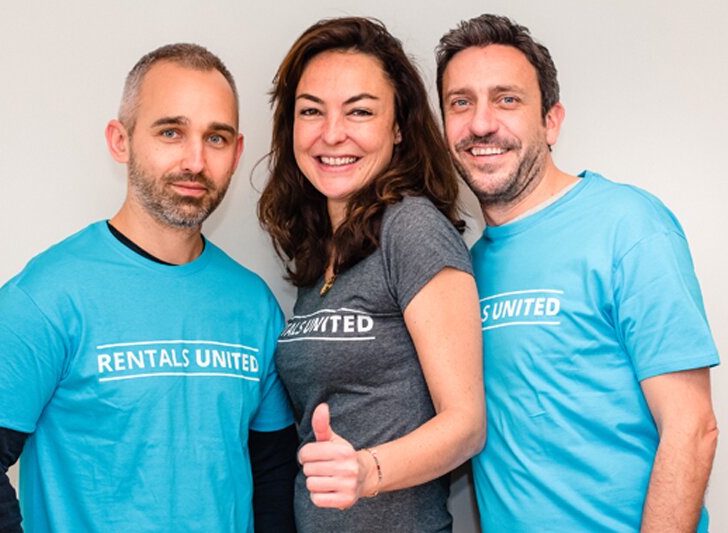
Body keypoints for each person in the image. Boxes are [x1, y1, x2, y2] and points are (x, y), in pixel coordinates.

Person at [0, 43, 298, 533]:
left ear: (236, 153)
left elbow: (274, 475)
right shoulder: (46, 296)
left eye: (216, 137)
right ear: (120, 141)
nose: (195, 160)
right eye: (171, 132)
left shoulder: (253, 304)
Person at [435, 14, 720, 532]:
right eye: (460, 103)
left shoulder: (629, 225)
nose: (480, 123)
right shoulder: (462, 271)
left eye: (506, 99)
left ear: (551, 122)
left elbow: (692, 428)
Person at [258, 17, 486, 533]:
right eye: (311, 111)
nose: (331, 133)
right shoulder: (320, 253)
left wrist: (366, 471)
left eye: (359, 111)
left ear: (398, 127)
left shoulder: (413, 229)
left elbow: (466, 424)